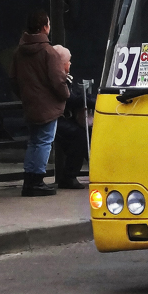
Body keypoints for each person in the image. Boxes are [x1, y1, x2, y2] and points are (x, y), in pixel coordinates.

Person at [10, 8, 69, 197]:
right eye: (49, 24)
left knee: (34, 142)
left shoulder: (19, 51)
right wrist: (65, 94)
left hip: (30, 103)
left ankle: (29, 180)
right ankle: (37, 180)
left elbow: (13, 79)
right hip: (47, 106)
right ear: (44, 27)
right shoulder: (48, 52)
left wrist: (25, 95)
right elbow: (57, 80)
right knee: (44, 142)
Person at [51, 44, 89, 190]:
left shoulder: (65, 77)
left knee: (85, 134)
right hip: (57, 117)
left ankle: (72, 174)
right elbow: (69, 98)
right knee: (79, 137)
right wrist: (90, 99)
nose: (70, 63)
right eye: (68, 61)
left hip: (61, 117)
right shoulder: (57, 78)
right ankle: (69, 176)